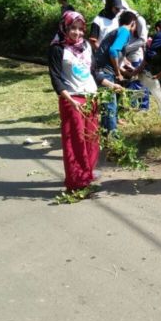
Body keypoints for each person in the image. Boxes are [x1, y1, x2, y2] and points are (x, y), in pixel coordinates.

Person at [48, 11, 122, 193]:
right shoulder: (57, 48)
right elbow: (55, 77)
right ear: (65, 27)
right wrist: (69, 99)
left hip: (92, 98)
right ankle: (76, 183)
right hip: (72, 99)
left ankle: (86, 174)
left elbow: (94, 73)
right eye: (73, 28)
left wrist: (110, 84)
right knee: (75, 142)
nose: (77, 33)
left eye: (81, 29)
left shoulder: (86, 46)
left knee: (92, 140)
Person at [94, 10, 138, 135]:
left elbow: (115, 52)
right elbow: (113, 51)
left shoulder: (116, 31)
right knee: (110, 105)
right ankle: (113, 138)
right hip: (105, 72)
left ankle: (105, 136)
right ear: (133, 23)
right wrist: (118, 72)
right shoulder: (124, 31)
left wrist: (124, 64)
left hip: (100, 70)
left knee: (106, 106)